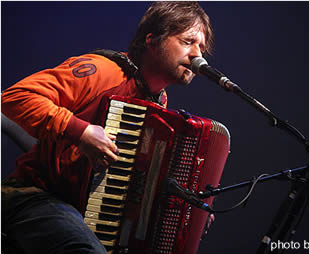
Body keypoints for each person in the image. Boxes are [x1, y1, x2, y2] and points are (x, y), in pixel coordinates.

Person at [1, 2, 214, 253]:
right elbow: (14, 98)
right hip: (33, 195)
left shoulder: (160, 101)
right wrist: (81, 132)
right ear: (152, 40)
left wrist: (184, 206)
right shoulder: (103, 71)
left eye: (201, 47)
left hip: (82, 211)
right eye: (188, 41)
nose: (197, 55)